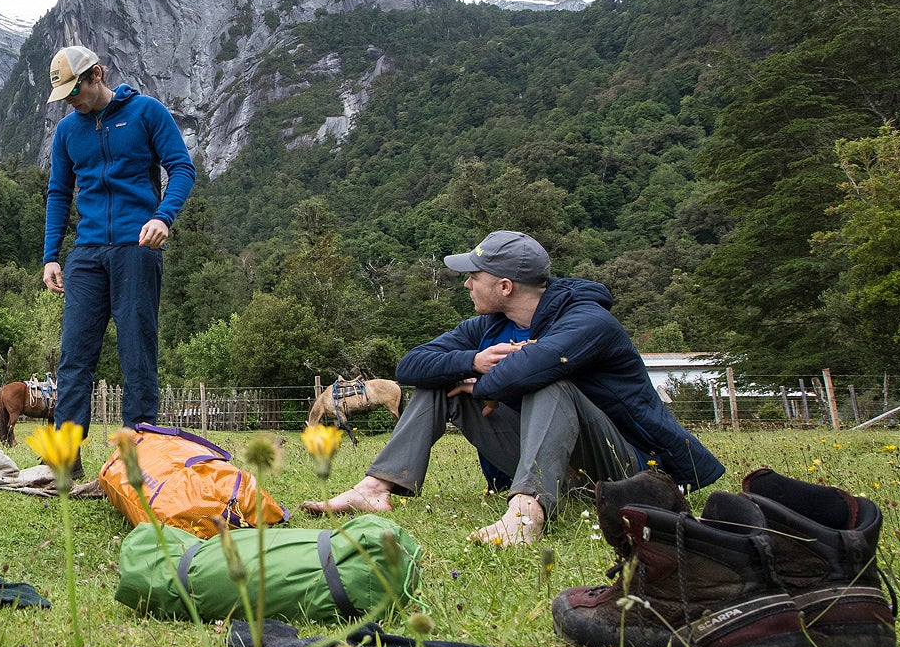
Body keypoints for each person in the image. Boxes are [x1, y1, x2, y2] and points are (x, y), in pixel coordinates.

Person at [305, 230, 723, 545]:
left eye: (474, 276)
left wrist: (485, 385)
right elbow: (410, 366)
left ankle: (525, 515)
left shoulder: (589, 321)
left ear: (504, 286)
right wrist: (471, 362)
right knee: (438, 381)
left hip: (628, 468)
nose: (466, 284)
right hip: (560, 468)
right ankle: (375, 489)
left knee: (552, 383)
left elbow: (531, 370)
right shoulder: (488, 327)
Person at [41, 46, 196, 430]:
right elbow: (59, 193)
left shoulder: (146, 112)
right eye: (64, 97)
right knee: (74, 357)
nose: (70, 102)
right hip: (87, 253)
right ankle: (63, 462)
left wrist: (164, 217)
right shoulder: (67, 131)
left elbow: (182, 169)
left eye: (74, 92)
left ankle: (138, 457)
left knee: (137, 354)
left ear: (96, 75)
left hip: (137, 247)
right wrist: (51, 255)